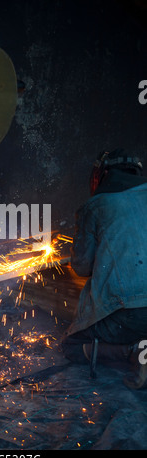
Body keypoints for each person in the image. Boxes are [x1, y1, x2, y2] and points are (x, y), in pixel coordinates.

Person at [61, 148, 147, 388]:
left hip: (130, 314)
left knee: (72, 345)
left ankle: (134, 352)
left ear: (103, 174)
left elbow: (81, 267)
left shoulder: (95, 206)